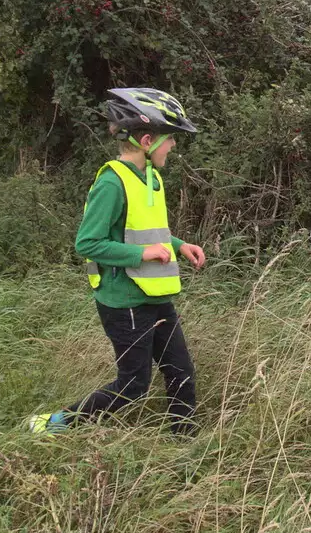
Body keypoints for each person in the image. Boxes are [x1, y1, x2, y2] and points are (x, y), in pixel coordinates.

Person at [28, 87, 207, 435]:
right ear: (145, 141)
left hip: (154, 297)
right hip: (123, 302)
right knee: (132, 386)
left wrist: (179, 244)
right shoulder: (112, 183)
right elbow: (88, 242)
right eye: (169, 139)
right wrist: (143, 254)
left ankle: (186, 447)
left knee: (181, 372)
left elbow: (141, 231)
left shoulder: (151, 177)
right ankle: (55, 424)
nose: (173, 146)